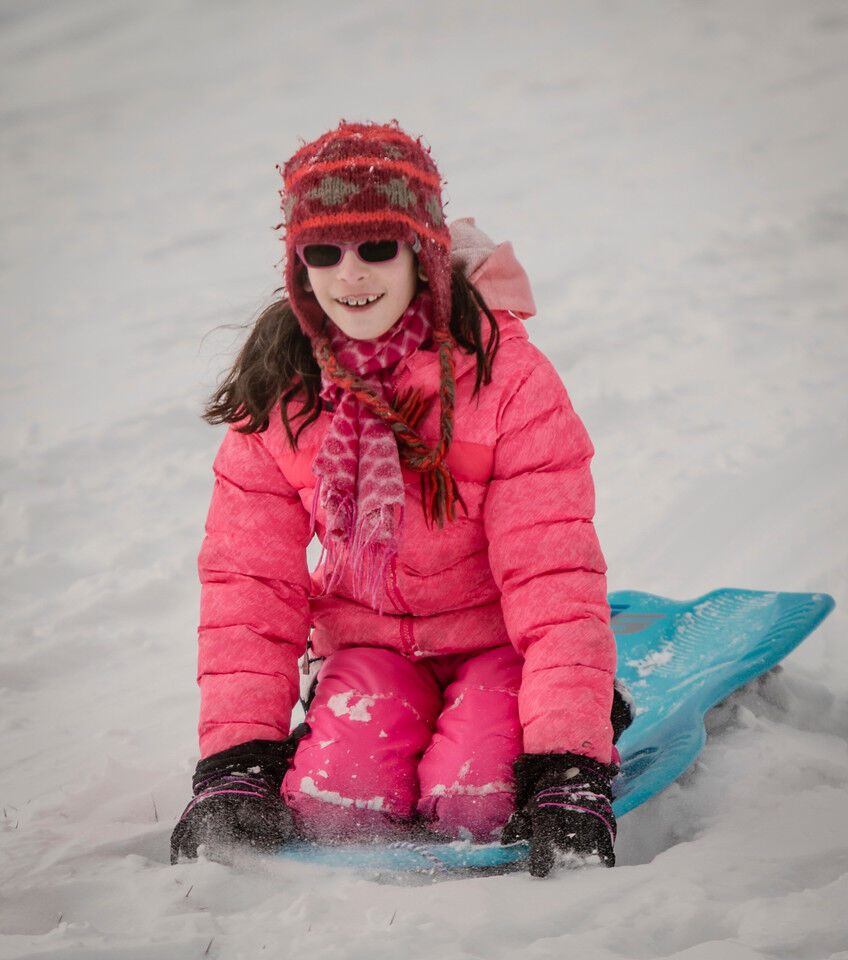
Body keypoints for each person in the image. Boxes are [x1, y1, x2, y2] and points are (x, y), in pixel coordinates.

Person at [170, 120, 629, 877]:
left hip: (496, 641)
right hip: (372, 644)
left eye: (377, 248)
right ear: (298, 265)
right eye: (325, 253)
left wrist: (568, 767)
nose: (351, 276)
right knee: (335, 804)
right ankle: (339, 735)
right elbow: (249, 584)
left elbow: (553, 582)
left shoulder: (506, 380)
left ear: (423, 250)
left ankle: (582, 706)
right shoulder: (283, 392)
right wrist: (238, 758)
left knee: (475, 803)